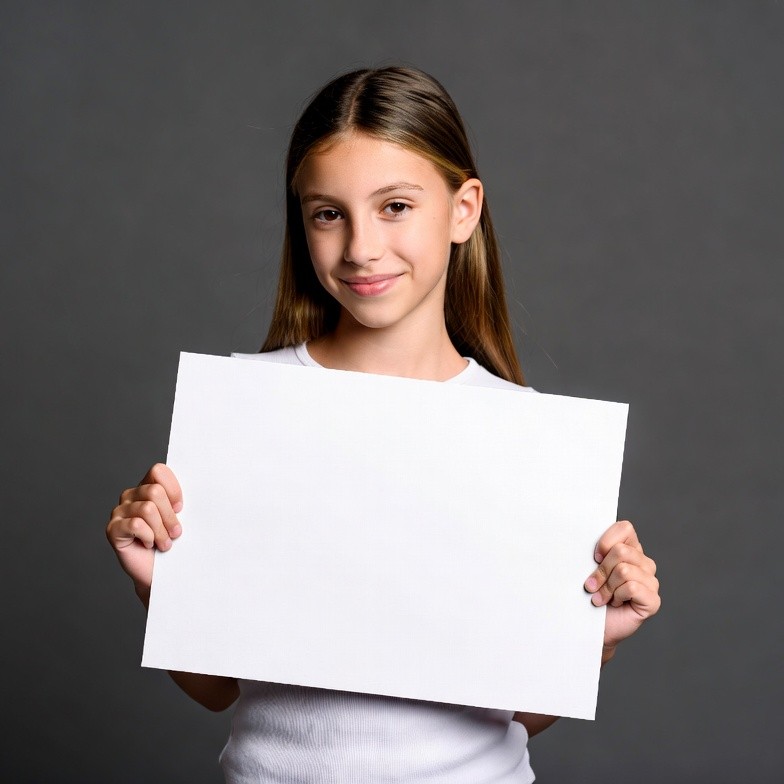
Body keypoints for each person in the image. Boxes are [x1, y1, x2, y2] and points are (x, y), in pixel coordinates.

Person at [106, 66, 661, 783]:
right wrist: (158, 585)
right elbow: (218, 689)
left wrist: (594, 639)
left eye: (395, 206)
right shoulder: (249, 416)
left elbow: (516, 713)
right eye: (327, 214)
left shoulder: (523, 440)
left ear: (463, 210)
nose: (361, 247)